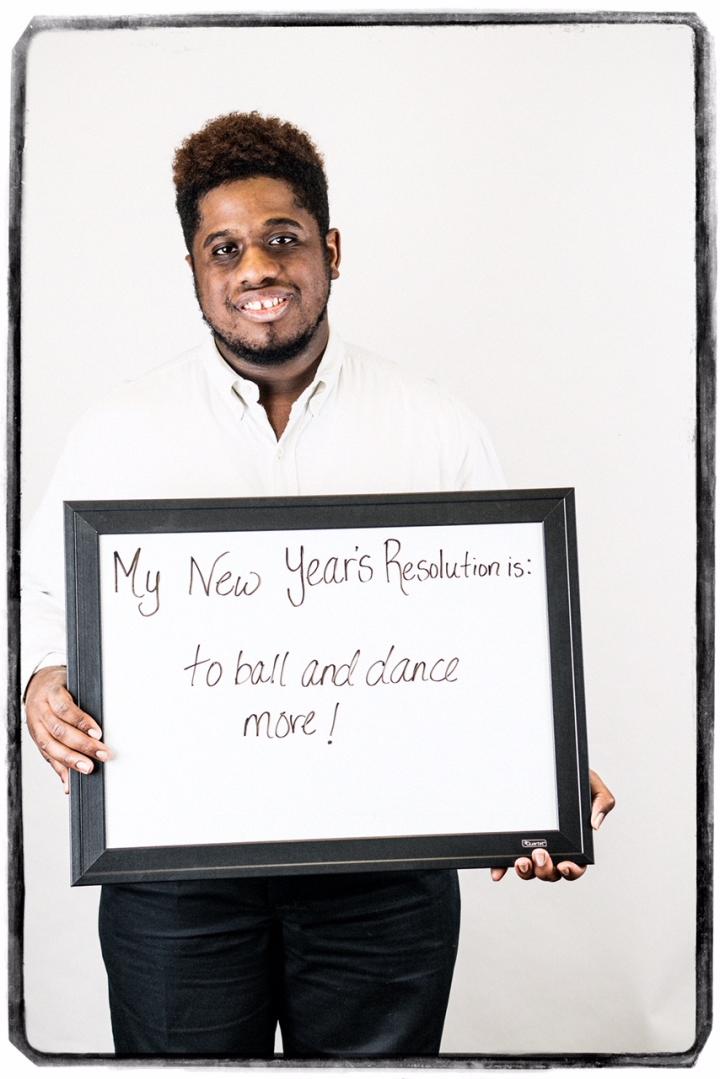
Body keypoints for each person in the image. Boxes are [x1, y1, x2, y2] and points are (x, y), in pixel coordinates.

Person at [22, 112, 615, 1058]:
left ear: (330, 251)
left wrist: (537, 768)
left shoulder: (436, 428)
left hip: (382, 880)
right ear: (196, 272)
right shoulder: (117, 434)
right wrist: (40, 685)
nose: (256, 266)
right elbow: (46, 603)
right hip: (174, 874)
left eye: (282, 238)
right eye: (225, 248)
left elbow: (498, 632)